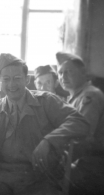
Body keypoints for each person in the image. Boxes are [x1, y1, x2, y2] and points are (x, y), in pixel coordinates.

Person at [0, 53, 89, 195]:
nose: (11, 84)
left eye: (17, 78)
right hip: (1, 178)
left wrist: (49, 141)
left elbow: (79, 122)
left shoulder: (46, 101)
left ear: (27, 79)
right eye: (6, 79)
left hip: (40, 180)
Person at [56, 52, 104, 194]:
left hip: (91, 165)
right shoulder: (76, 97)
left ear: (83, 73)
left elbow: (82, 137)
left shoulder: (90, 96)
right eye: (60, 73)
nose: (63, 77)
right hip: (81, 161)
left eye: (69, 72)